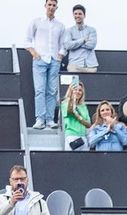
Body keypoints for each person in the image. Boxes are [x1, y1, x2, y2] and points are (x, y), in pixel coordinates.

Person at [26, 0, 65, 129]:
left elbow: (62, 44)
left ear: (57, 7)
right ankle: (40, 119)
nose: (51, 7)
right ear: (45, 6)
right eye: (49, 5)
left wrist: (60, 55)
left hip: (54, 60)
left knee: (52, 91)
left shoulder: (60, 25)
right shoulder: (36, 21)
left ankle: (49, 119)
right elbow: (27, 40)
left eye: (54, 5)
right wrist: (34, 53)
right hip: (40, 59)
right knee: (40, 90)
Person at [61, 4, 97, 72]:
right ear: (73, 15)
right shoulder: (69, 31)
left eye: (80, 14)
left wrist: (75, 43)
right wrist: (83, 40)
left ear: (84, 15)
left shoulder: (92, 30)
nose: (77, 16)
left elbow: (92, 45)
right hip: (74, 66)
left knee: (92, 83)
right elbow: (68, 45)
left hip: (90, 66)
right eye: (75, 14)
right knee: (75, 83)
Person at [61, 80, 91, 149]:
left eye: (80, 90)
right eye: (75, 90)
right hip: (72, 136)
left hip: (83, 137)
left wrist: (78, 116)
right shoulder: (65, 103)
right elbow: (70, 111)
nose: (77, 92)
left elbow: (88, 124)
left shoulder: (83, 106)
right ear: (71, 91)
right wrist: (72, 98)